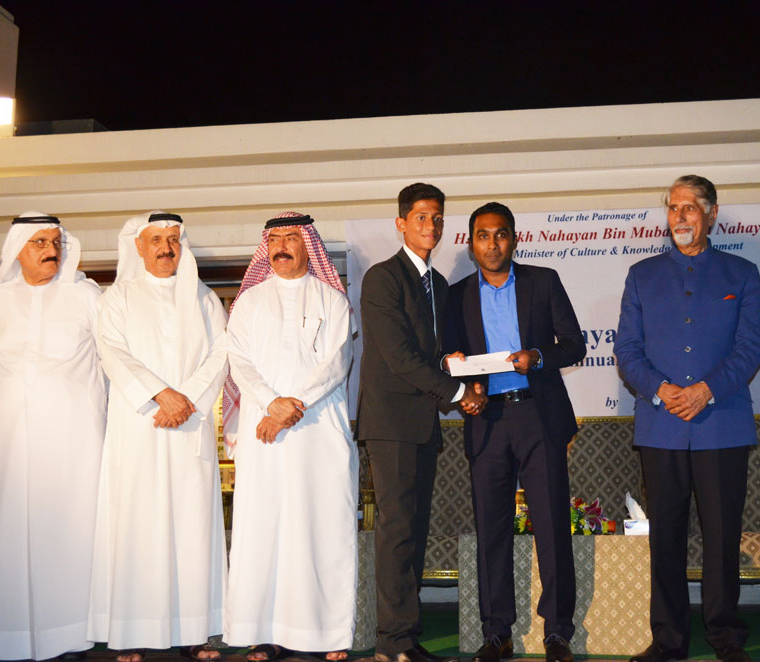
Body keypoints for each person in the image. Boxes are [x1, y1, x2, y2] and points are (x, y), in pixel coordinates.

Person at [613, 176, 760, 662]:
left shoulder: (742, 274)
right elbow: (627, 350)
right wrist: (661, 389)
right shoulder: (642, 275)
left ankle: (725, 636)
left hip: (722, 424)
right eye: (673, 208)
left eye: (690, 208)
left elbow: (750, 349)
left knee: (721, 538)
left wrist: (705, 390)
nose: (679, 216)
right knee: (666, 538)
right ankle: (669, 639)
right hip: (661, 428)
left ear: (711, 214)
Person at [442, 202, 585, 662]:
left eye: (501, 234)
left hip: (538, 416)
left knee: (552, 526)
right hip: (487, 420)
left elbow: (575, 344)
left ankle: (557, 632)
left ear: (515, 239)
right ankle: (496, 632)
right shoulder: (456, 295)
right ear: (471, 244)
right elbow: (445, 356)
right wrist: (458, 375)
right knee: (492, 529)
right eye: (483, 236)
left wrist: (537, 357)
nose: (492, 244)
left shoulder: (543, 281)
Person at [0, 213, 106, 660]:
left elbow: (109, 361)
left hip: (72, 438)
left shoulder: (86, 296)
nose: (50, 250)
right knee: (3, 530)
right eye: (39, 242)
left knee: (68, 527)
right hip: (4, 437)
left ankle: (70, 634)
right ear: (17, 249)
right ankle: (3, 635)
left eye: (55, 241)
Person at [88, 212, 228, 662]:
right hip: (140, 426)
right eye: (156, 240)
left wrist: (186, 399)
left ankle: (194, 632)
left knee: (192, 529)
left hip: (188, 427)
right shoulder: (119, 297)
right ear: (139, 246)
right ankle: (132, 634)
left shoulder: (204, 298)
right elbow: (112, 352)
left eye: (172, 239)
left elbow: (221, 354)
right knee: (137, 528)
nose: (166, 248)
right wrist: (161, 395)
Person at [356, 183, 486, 662]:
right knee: (397, 533)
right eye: (421, 217)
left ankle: (405, 638)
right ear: (401, 223)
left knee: (413, 530)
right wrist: (458, 392)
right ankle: (392, 643)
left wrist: (452, 362)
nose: (431, 226)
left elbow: (430, 353)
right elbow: (399, 356)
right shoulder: (382, 278)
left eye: (437, 218)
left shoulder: (438, 285)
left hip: (422, 424)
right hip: (391, 424)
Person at [223, 212, 357, 661]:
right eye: (275, 238)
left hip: (317, 433)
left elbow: (337, 363)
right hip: (264, 435)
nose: (281, 245)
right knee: (262, 530)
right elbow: (239, 361)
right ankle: (264, 633)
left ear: (307, 245)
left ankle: (324, 635)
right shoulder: (249, 302)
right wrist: (271, 403)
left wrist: (290, 406)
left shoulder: (332, 300)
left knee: (321, 529)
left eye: (291, 238)